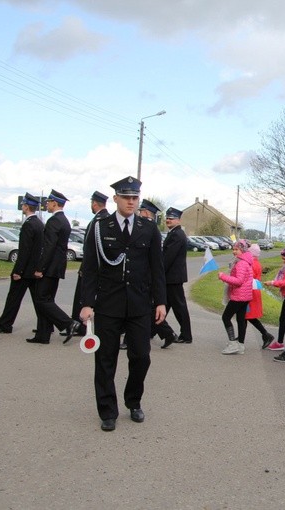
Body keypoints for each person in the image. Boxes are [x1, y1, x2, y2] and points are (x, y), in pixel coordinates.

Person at [80, 176, 167, 432]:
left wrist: (160, 301)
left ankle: (134, 400)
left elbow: (157, 268)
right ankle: (108, 411)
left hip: (140, 304)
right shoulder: (100, 227)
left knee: (141, 356)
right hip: (108, 303)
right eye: (126, 197)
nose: (131, 202)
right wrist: (87, 303)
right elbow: (90, 268)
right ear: (116, 198)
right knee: (105, 359)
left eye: (135, 198)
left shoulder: (148, 228)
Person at [28, 190, 80, 345]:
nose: (46, 205)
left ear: (55, 203)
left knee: (41, 300)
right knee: (47, 299)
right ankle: (43, 335)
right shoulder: (64, 220)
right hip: (57, 267)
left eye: (48, 202)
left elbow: (49, 247)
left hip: (49, 267)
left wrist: (40, 268)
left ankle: (68, 323)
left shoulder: (54, 221)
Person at [0, 193, 45, 334]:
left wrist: (18, 271)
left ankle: (5, 325)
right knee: (38, 300)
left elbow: (25, 250)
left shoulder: (29, 225)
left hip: (25, 270)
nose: (22, 207)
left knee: (13, 298)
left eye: (23, 205)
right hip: (33, 268)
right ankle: (45, 325)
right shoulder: (39, 223)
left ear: (26, 206)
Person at [69, 191, 109, 337]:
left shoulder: (98, 221)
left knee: (86, 296)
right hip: (96, 266)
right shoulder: (104, 218)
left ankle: (83, 326)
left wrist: (84, 268)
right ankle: (80, 325)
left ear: (94, 203)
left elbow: (90, 249)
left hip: (94, 267)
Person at [154, 207, 192, 348]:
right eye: (168, 218)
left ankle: (186, 335)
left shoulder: (177, 234)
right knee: (164, 305)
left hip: (173, 278)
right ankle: (154, 330)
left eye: (172, 218)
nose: (169, 220)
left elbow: (168, 257)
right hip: (172, 277)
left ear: (179, 220)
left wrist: (158, 273)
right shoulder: (174, 233)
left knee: (179, 307)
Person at [218, 240, 254, 355]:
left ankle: (233, 343)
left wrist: (223, 277)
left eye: (236, 249)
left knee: (226, 317)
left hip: (239, 295)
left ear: (242, 250)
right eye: (233, 249)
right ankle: (241, 345)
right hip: (245, 296)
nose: (234, 252)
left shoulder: (241, 263)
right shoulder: (245, 261)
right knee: (241, 320)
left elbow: (238, 281)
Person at [244, 243, 275, 349]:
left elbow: (248, 277)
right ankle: (241, 338)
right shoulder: (256, 262)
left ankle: (266, 334)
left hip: (250, 292)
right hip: (254, 290)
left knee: (247, 316)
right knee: (246, 316)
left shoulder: (251, 263)